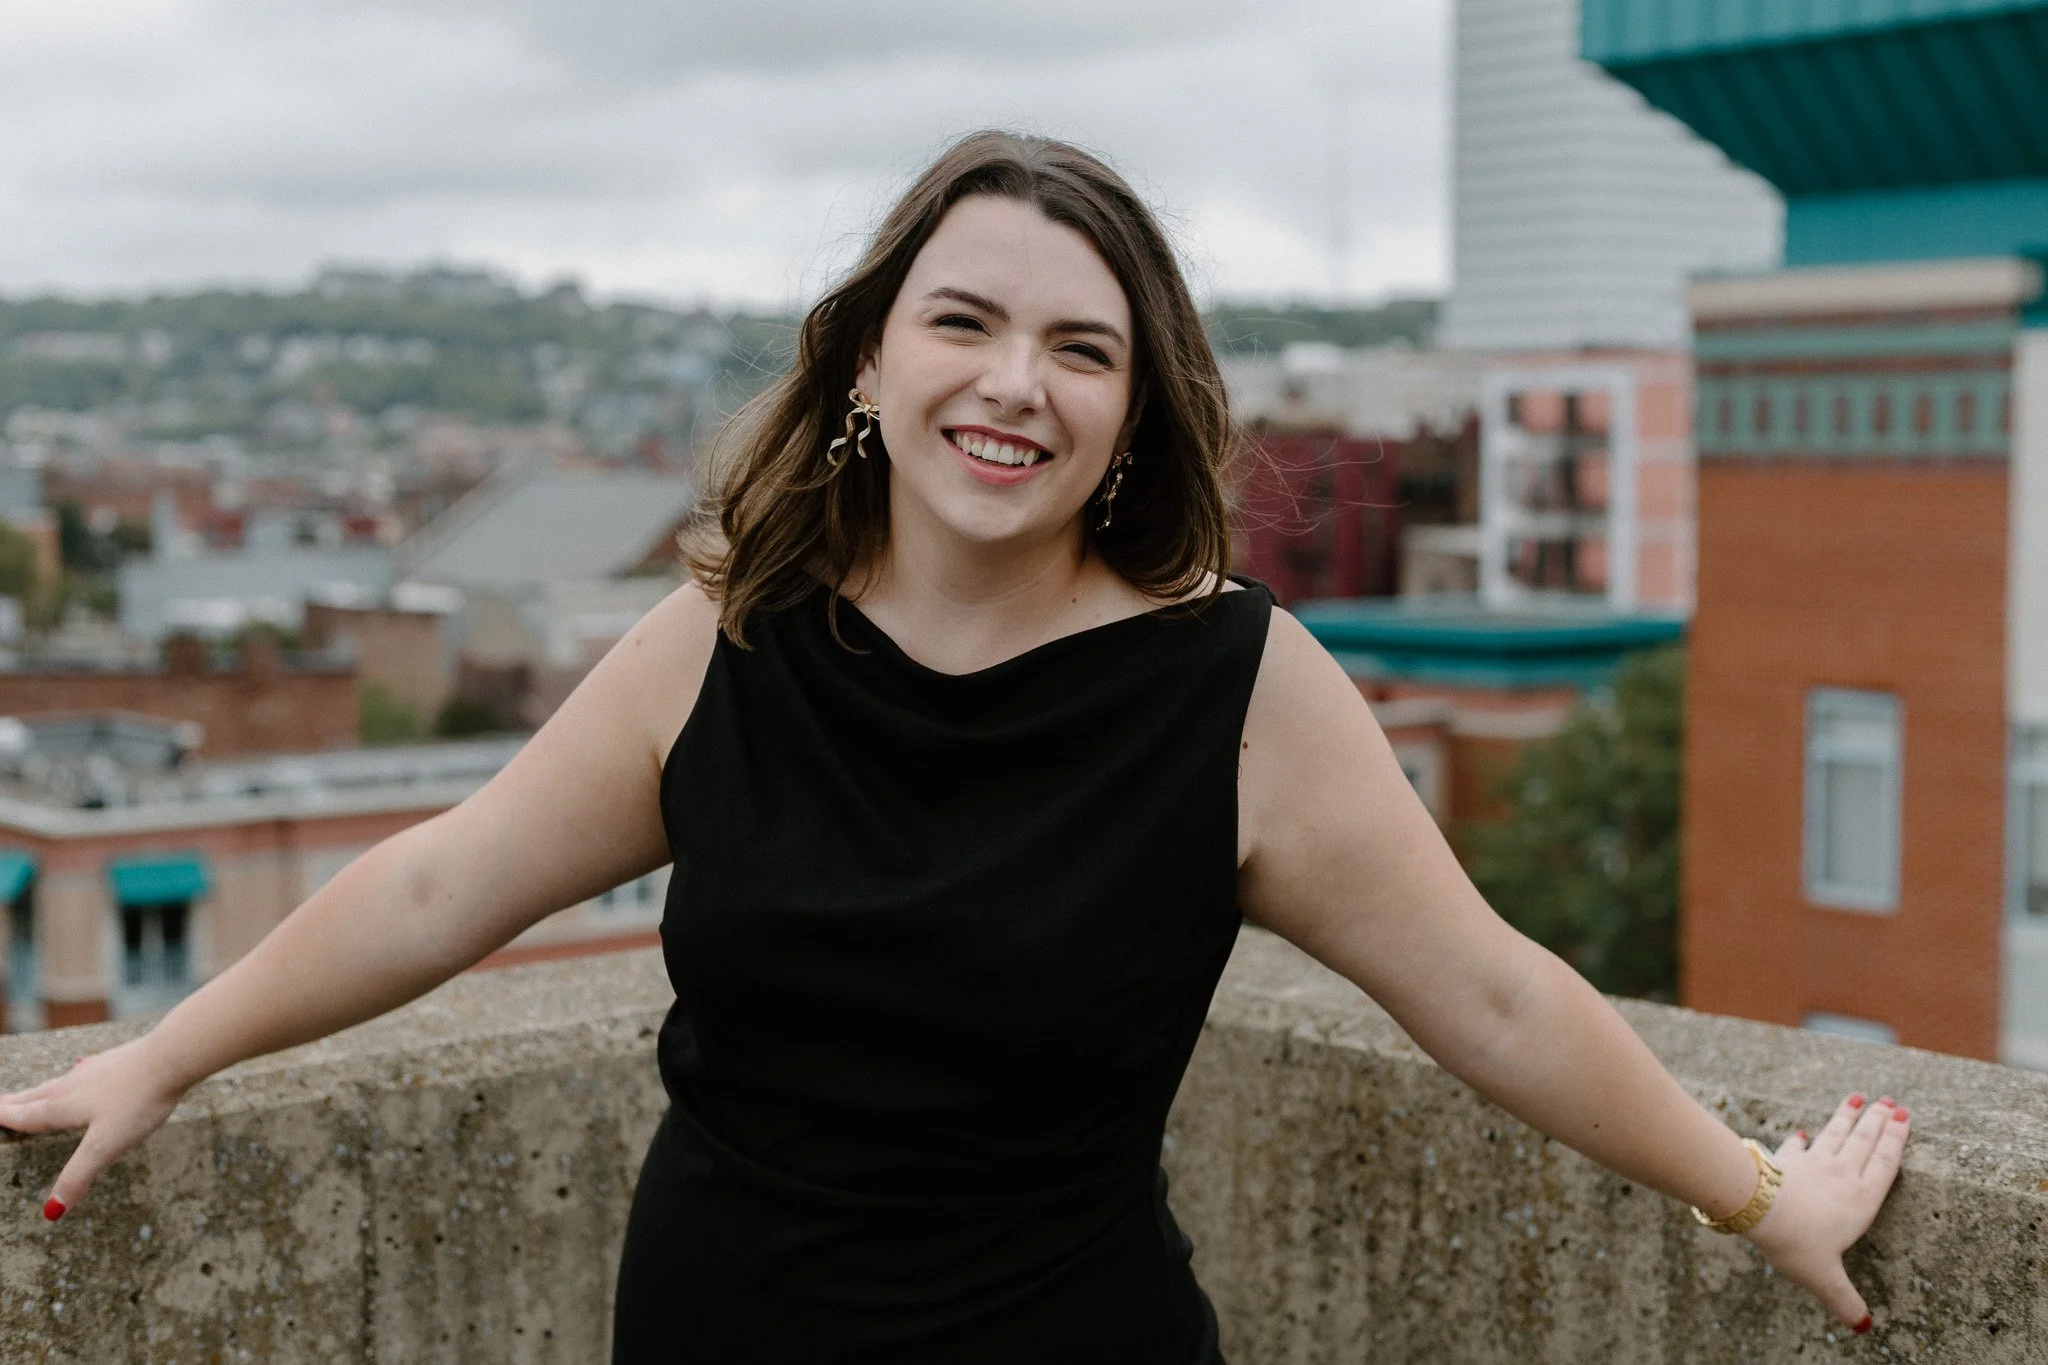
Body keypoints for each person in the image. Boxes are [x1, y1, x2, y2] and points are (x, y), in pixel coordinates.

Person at [0, 131, 1906, 1362]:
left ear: (1136, 410)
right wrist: (164, 1053)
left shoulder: (1237, 689)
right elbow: (440, 881)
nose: (1015, 383)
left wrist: (1759, 1194)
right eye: (965, 321)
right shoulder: (725, 641)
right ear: (867, 365)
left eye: (1082, 349)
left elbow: (1492, 999)